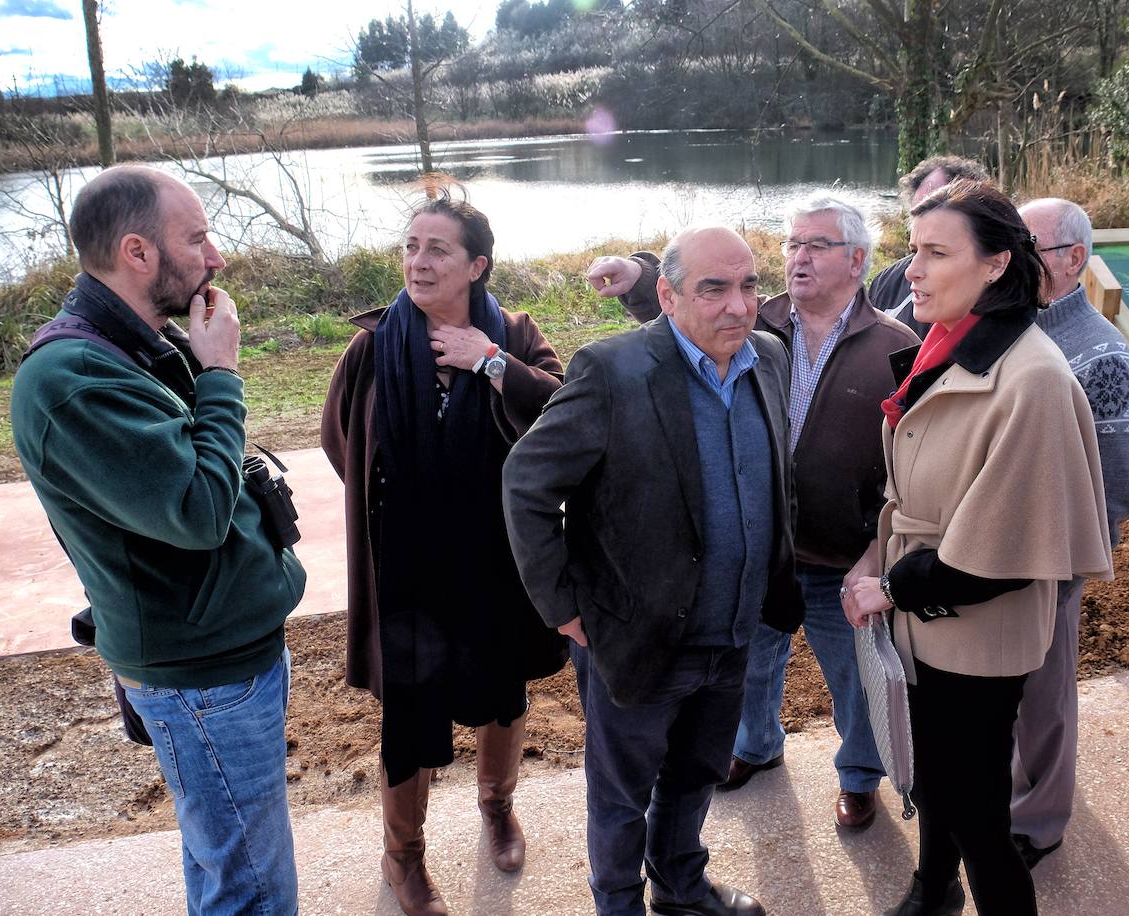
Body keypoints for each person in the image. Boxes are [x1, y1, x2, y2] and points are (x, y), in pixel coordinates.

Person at [10, 164, 307, 914]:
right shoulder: (74, 381)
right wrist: (221, 374)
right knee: (252, 890)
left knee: (228, 862)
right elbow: (200, 508)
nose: (218, 257)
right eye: (198, 238)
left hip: (217, 657)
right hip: (202, 676)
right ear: (137, 253)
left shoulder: (135, 346)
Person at [587, 192, 919, 830]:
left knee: (853, 676)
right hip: (753, 548)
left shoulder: (894, 346)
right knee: (749, 665)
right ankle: (754, 747)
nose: (797, 257)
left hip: (839, 558)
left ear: (856, 260)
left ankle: (858, 775)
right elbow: (686, 316)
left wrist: (876, 556)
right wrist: (638, 279)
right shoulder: (759, 323)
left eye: (815, 246)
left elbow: (911, 463)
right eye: (791, 244)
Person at [504, 225, 804, 916]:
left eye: (750, 284)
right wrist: (561, 606)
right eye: (714, 289)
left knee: (697, 773)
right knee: (621, 792)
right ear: (666, 296)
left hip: (734, 632)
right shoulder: (612, 371)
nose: (739, 305)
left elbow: (776, 477)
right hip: (636, 635)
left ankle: (679, 886)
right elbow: (526, 483)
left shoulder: (770, 356)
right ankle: (617, 904)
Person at [843, 180, 1114, 916]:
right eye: (912, 250)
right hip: (924, 622)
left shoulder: (1033, 380)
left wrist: (888, 588)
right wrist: (875, 560)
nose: (915, 272)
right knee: (936, 781)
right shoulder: (949, 343)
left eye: (936, 253)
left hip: (974, 638)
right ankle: (934, 890)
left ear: (996, 264)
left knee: (978, 819)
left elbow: (996, 554)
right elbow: (910, 491)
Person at [320, 190, 568, 916]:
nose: (418, 262)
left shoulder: (515, 335)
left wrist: (489, 362)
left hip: (496, 561)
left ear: (477, 266)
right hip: (407, 570)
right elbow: (345, 444)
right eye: (410, 246)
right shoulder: (371, 347)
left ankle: (496, 805)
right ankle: (405, 857)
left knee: (501, 691)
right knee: (410, 712)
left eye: (437, 250)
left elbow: (561, 414)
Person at [1009, 197, 1129, 869]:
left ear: (1073, 258)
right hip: (1000, 553)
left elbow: (1116, 486)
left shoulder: (1103, 356)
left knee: (1045, 698)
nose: (1009, 256)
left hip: (1053, 561)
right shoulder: (1013, 329)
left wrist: (1075, 571)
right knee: (1006, 690)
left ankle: (1040, 822)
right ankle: (1006, 797)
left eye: (1025, 244)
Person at [868, 155, 991, 335]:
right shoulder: (886, 283)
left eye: (939, 206)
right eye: (918, 212)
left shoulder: (1009, 295)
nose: (912, 273)